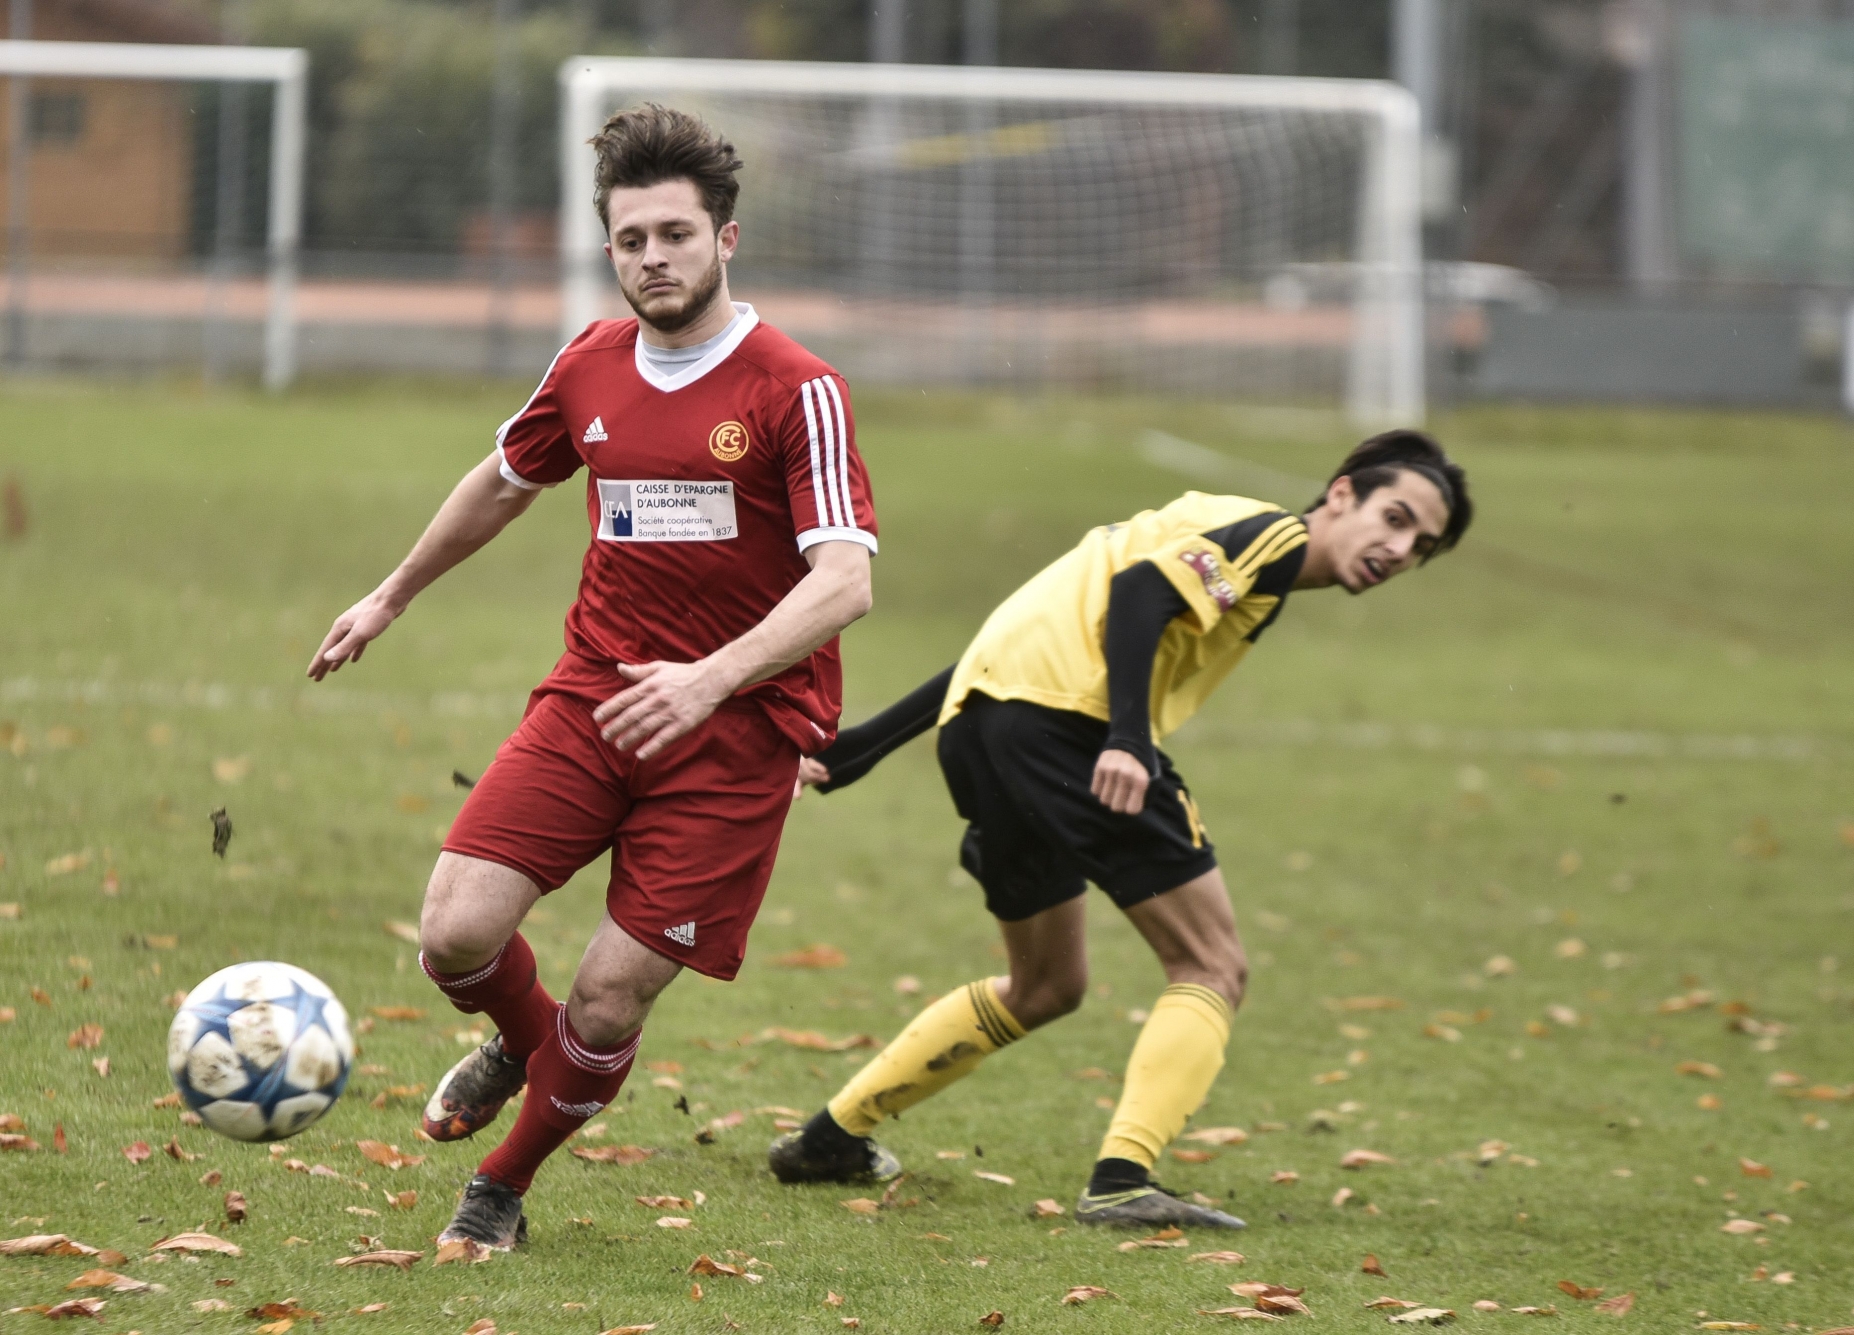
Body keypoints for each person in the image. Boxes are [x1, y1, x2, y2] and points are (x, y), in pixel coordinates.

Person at [306, 105, 878, 1251]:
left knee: (612, 997)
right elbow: (502, 480)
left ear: (725, 239)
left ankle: (500, 1189)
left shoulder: (792, 387)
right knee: (455, 935)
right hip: (595, 696)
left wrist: (706, 681)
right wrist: (391, 592)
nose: (652, 259)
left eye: (674, 234)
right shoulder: (590, 362)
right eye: (630, 240)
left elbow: (843, 582)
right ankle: (524, 1041)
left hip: (739, 729)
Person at [769, 431, 1471, 1229]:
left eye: (1421, 544)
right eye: (1396, 517)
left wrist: (862, 745)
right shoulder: (1274, 535)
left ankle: (831, 1140)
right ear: (1341, 494)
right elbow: (1143, 591)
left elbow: (1016, 642)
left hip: (986, 728)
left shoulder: (1216, 530)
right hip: (1071, 732)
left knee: (1045, 985)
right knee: (1212, 962)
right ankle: (1123, 1180)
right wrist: (1129, 738)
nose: (1400, 547)